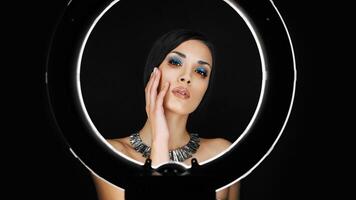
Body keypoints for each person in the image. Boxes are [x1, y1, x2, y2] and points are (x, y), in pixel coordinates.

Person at [91, 29, 240, 199]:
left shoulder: (221, 154)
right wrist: (160, 140)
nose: (187, 77)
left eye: (201, 72)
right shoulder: (112, 155)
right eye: (175, 62)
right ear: (154, 71)